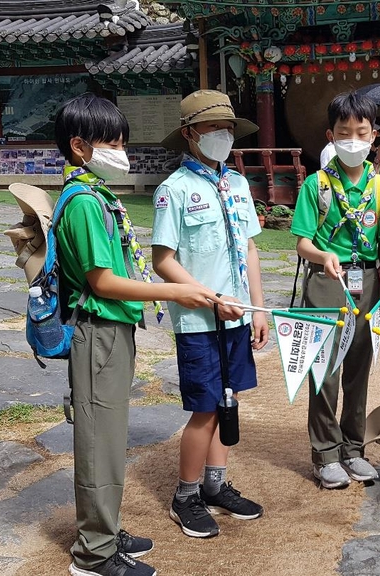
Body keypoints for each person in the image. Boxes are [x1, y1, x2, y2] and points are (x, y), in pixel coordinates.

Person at [54, 93, 231, 576]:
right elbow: (103, 282)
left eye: (121, 142)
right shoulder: (86, 203)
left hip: (114, 330)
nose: (121, 152)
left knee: (108, 437)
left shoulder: (96, 195)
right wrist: (174, 292)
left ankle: (104, 528)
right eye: (110, 143)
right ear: (79, 147)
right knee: (100, 442)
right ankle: (94, 553)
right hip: (99, 331)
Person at [152, 90, 269, 540]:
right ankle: (186, 496)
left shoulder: (238, 184)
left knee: (229, 400)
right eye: (212, 129)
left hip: (240, 315)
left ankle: (216, 485)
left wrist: (257, 309)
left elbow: (250, 248)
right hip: (200, 321)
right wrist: (211, 296)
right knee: (204, 409)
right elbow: (164, 259)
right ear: (188, 134)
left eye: (228, 129)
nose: (222, 137)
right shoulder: (174, 191)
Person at [290, 91, 380, 489]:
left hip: (368, 283)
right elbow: (301, 242)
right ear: (330, 135)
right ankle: (325, 455)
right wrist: (322, 256)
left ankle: (354, 449)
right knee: (325, 372)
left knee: (358, 369)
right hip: (326, 282)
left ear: (374, 136)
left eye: (361, 132)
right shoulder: (316, 186)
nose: (353, 139)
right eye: (344, 132)